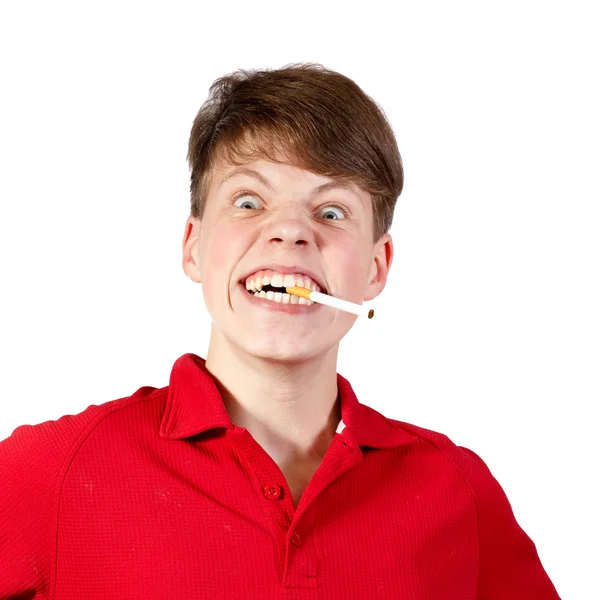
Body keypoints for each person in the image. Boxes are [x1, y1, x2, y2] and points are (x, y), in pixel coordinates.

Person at [0, 64, 561, 599]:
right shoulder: (54, 471)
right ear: (193, 247)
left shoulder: (456, 491)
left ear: (376, 268)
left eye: (333, 212)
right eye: (249, 201)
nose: (290, 229)